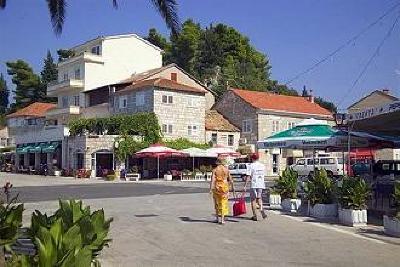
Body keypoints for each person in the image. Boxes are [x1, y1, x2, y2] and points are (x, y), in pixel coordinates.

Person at [210, 157, 234, 224]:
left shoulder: (214, 170)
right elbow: (231, 180)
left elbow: (212, 180)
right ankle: (222, 220)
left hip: (217, 187)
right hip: (225, 188)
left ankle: (217, 218)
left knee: (217, 203)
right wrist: (231, 187)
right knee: (223, 203)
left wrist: (210, 189)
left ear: (217, 162)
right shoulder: (226, 169)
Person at [245, 153, 267, 221]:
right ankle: (261, 209)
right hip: (261, 184)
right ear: (258, 158)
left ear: (252, 158)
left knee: (253, 200)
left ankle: (255, 216)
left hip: (254, 184)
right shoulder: (262, 165)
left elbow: (248, 176)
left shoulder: (251, 166)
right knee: (259, 198)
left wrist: (245, 185)